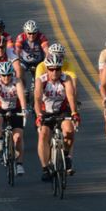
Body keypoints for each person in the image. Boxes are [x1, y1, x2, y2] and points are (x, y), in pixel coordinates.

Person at [34, 53, 80, 181]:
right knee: (43, 134)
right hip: (45, 111)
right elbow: (37, 100)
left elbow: (71, 97)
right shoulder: (41, 81)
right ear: (47, 69)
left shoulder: (66, 79)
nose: (54, 72)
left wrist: (74, 113)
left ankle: (66, 155)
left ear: (61, 69)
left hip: (62, 111)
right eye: (51, 69)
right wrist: (38, 115)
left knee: (69, 131)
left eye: (57, 69)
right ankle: (45, 168)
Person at [0, 61, 28, 176]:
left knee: (18, 138)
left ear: (12, 74)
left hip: (15, 109)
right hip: (1, 108)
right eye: (4, 75)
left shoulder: (17, 81)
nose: (6, 78)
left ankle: (19, 164)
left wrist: (24, 109)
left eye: (9, 75)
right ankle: (0, 138)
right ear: (0, 75)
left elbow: (21, 96)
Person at [14, 20, 49, 96]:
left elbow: (46, 50)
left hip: (38, 62)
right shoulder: (21, 37)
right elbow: (17, 51)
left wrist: (46, 61)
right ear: (25, 32)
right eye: (29, 33)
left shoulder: (41, 37)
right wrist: (17, 60)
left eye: (34, 33)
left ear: (37, 32)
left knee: (42, 76)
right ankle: (23, 88)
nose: (31, 35)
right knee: (19, 69)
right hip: (25, 62)